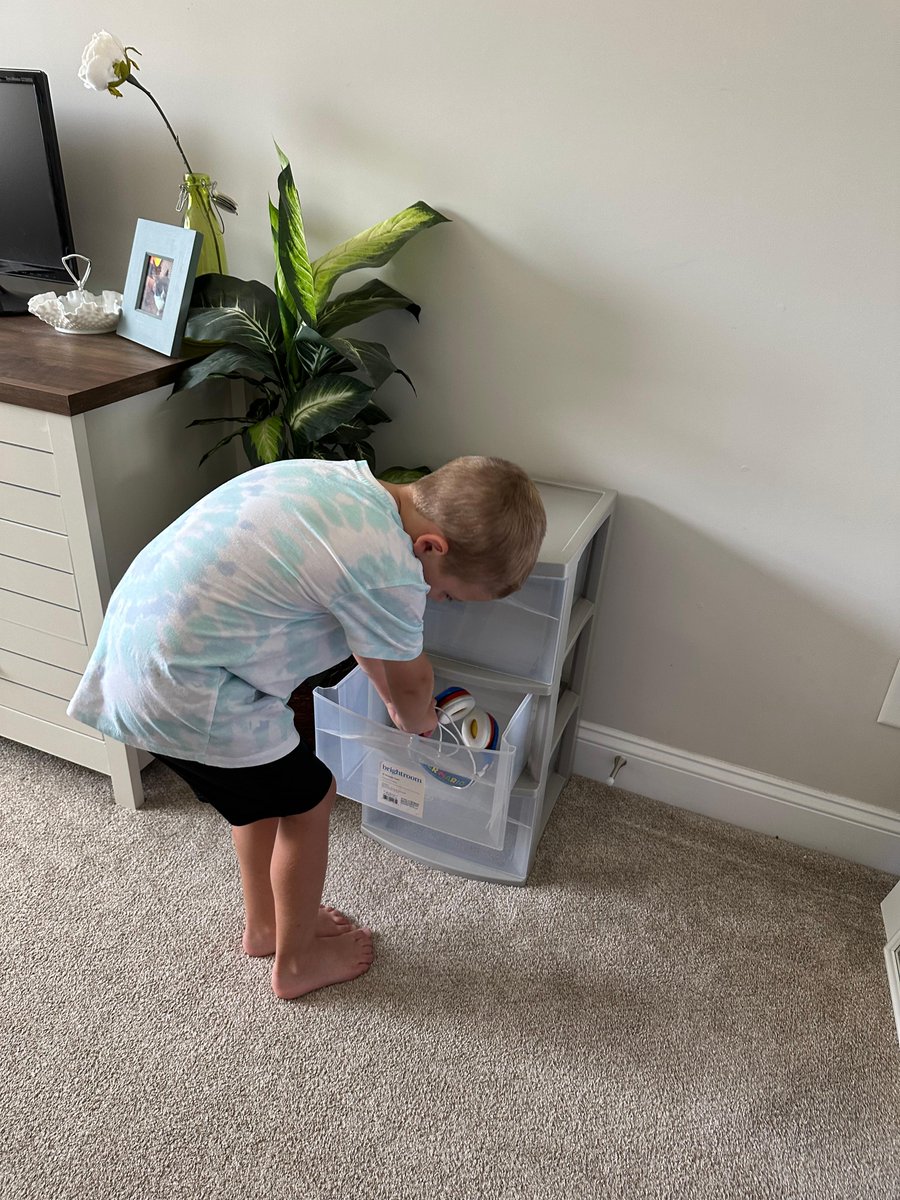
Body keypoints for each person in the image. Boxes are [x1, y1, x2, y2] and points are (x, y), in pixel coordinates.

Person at [67, 455, 547, 1000]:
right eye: (449, 594)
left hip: (138, 661)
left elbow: (371, 642)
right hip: (192, 693)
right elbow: (415, 680)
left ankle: (266, 924)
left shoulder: (344, 489)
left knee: (262, 797)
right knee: (310, 798)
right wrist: (419, 723)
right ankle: (297, 963)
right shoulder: (393, 569)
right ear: (432, 547)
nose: (437, 601)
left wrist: (389, 702)